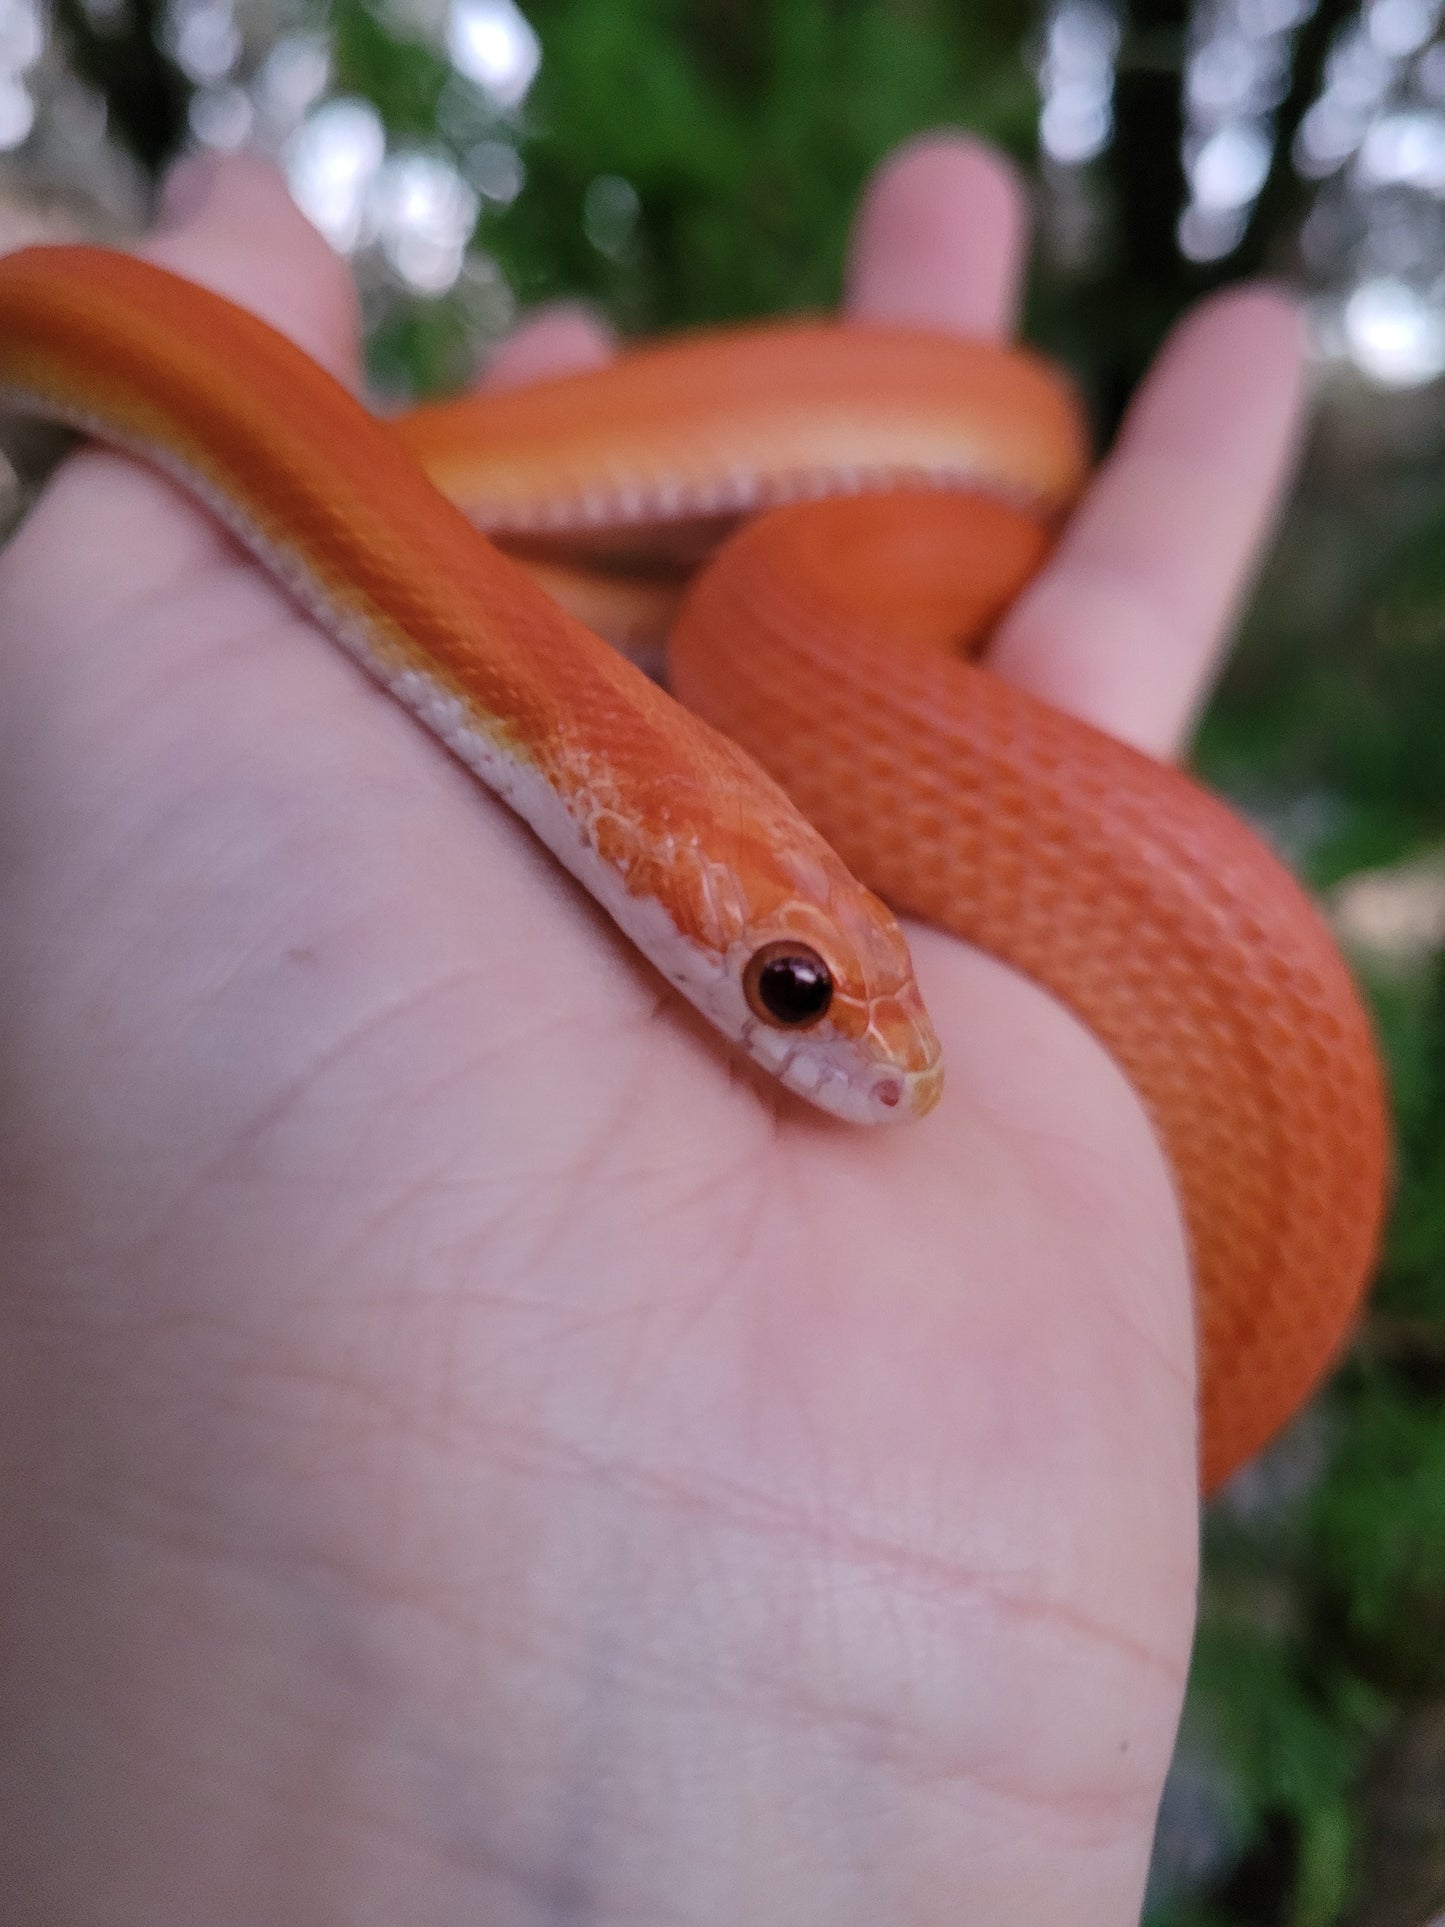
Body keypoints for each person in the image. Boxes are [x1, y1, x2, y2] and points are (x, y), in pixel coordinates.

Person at [0, 134, 1304, 1922]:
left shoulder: (632, 741)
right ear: (630, 844)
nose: (866, 1060)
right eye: (791, 990)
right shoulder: (541, 723)